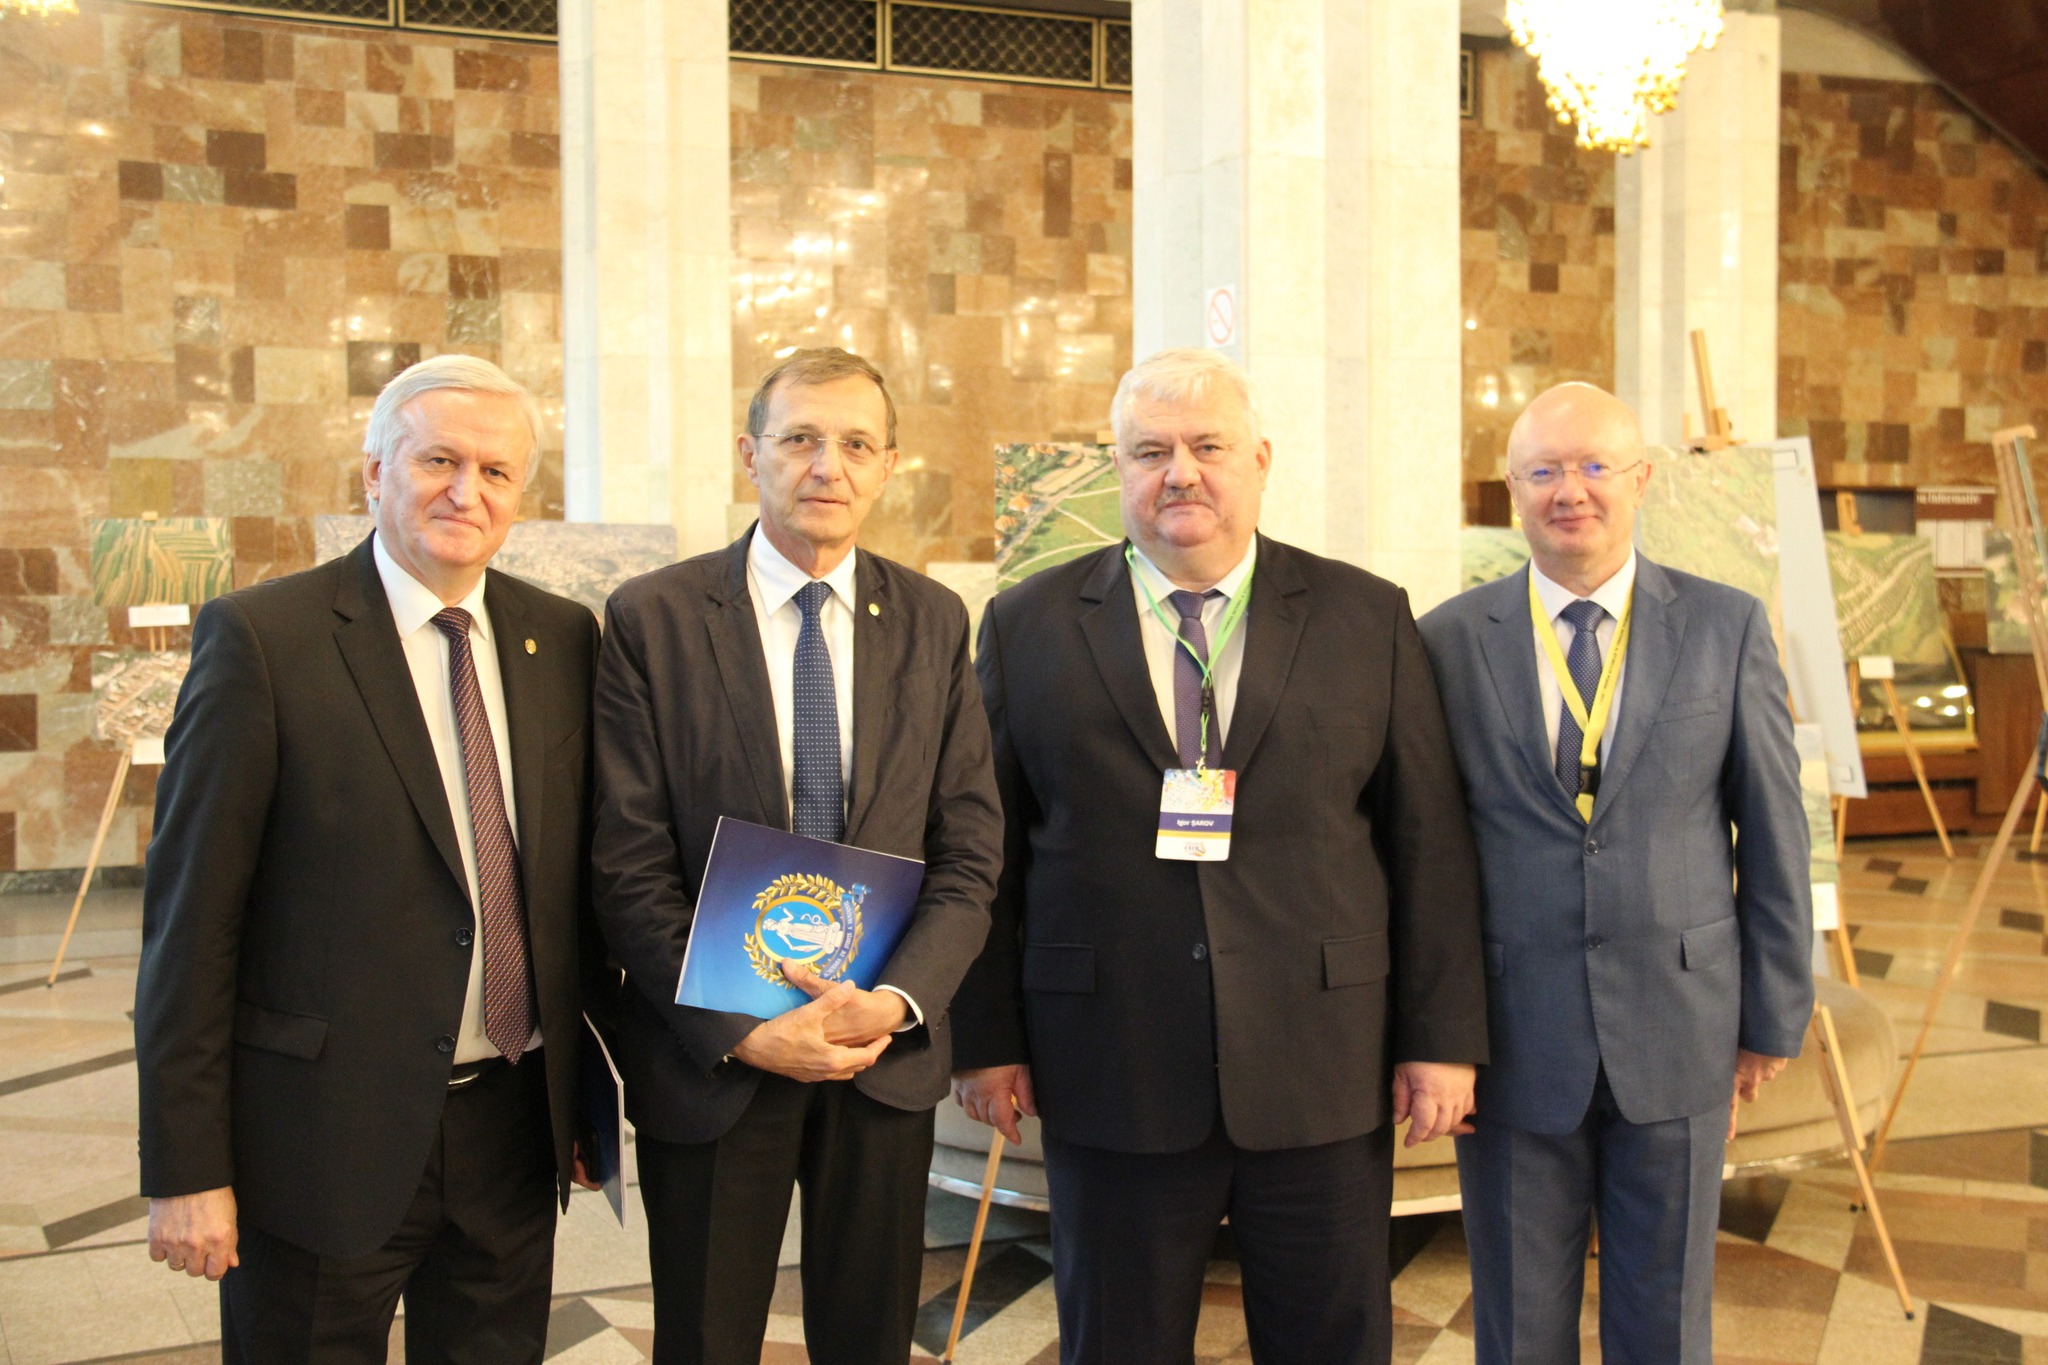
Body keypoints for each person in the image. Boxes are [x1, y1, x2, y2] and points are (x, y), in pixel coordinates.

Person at [951, 347, 1489, 1365]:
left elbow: (1427, 843)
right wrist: (983, 1037)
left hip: (1320, 1058)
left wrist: (1441, 1040)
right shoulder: (1026, 625)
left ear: (1260, 460)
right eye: (1149, 451)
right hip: (1110, 1058)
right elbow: (988, 851)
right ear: (1117, 467)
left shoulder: (1364, 615)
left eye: (1207, 446)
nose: (1180, 473)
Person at [135, 355, 607, 1363]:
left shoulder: (561, 638)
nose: (466, 492)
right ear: (374, 473)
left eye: (495, 471)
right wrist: (187, 1166)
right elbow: (191, 923)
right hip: (319, 1141)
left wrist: (583, 1099)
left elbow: (572, 887)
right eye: (438, 460)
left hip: (512, 1131)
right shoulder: (264, 640)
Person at [592, 347, 1002, 1365]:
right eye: (801, 439)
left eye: (856, 444)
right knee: (706, 1338)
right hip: (717, 1057)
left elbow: (967, 849)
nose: (828, 466)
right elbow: (626, 862)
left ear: (888, 465)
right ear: (750, 454)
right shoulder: (654, 617)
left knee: (869, 1338)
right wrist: (743, 1029)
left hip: (878, 1052)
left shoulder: (933, 620)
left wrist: (896, 1001)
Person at [1417, 382, 1814, 1364]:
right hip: (1511, 1036)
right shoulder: (1448, 640)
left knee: (1666, 1319)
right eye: (1543, 470)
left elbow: (1773, 834)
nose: (1570, 491)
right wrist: (1433, 1033)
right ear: (1511, 488)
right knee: (1517, 1321)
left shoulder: (1725, 626)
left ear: (1640, 480)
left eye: (1595, 465)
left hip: (1680, 1028)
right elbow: (1424, 856)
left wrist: (1768, 1019)